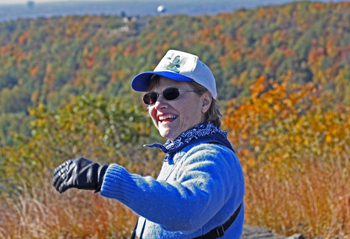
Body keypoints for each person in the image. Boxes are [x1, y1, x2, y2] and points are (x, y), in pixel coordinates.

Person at [52, 50, 245, 239]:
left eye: (171, 94)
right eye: (150, 98)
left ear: (204, 102)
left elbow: (186, 213)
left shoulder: (213, 156)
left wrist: (103, 177)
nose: (157, 105)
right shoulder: (182, 151)